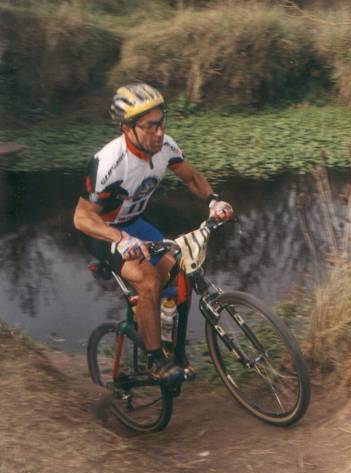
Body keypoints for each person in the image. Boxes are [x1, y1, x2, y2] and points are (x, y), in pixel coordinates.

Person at [73, 83, 233, 382]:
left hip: (135, 223)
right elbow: (82, 218)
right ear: (127, 128)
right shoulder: (109, 163)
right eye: (149, 127)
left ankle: (167, 337)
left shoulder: (165, 147)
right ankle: (156, 359)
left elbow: (192, 178)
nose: (158, 133)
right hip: (104, 232)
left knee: (182, 267)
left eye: (161, 123)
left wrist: (214, 200)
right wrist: (121, 239)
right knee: (148, 280)